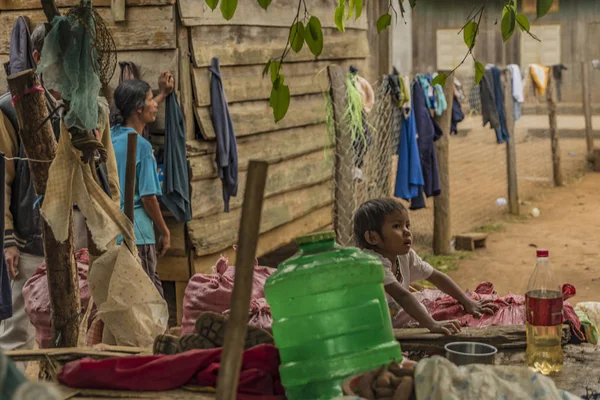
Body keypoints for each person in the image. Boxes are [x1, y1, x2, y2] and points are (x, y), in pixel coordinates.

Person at [353, 198, 497, 335]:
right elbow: (402, 296)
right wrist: (432, 324)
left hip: (393, 315)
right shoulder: (371, 263)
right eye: (397, 226)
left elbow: (435, 276)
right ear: (373, 238)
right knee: (426, 312)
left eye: (407, 225)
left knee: (440, 305)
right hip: (371, 329)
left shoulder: (404, 255)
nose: (406, 231)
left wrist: (467, 301)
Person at [111, 77, 174, 298]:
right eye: (151, 99)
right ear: (138, 108)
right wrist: (165, 231)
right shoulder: (143, 148)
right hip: (138, 235)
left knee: (124, 298)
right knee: (150, 299)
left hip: (111, 234)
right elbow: (148, 198)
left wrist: (163, 94)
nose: (155, 104)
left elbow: (141, 111)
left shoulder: (109, 138)